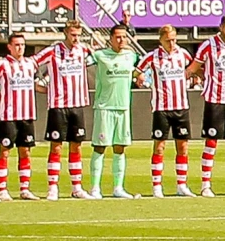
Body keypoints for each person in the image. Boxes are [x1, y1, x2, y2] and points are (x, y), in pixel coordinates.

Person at [188, 14, 225, 196]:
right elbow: (193, 67)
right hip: (214, 99)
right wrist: (202, 76)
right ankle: (206, 185)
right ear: (221, 27)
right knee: (211, 142)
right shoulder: (208, 45)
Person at [33, 19, 93, 199]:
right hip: (58, 105)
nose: (76, 38)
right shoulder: (53, 51)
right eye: (73, 34)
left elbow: (96, 62)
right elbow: (32, 64)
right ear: (66, 33)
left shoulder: (83, 50)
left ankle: (77, 187)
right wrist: (37, 86)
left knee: (76, 146)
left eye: (78, 35)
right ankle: (53, 187)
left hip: (77, 105)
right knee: (56, 147)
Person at [137, 24, 195, 198]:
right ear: (160, 40)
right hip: (162, 108)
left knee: (183, 147)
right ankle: (157, 187)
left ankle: (182, 185)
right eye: (168, 40)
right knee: (159, 147)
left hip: (181, 107)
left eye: (174, 39)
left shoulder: (183, 54)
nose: (172, 43)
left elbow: (193, 68)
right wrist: (139, 76)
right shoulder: (152, 57)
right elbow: (137, 71)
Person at [86, 24, 137, 199]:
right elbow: (84, 59)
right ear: (111, 39)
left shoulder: (131, 56)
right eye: (118, 37)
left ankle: (118, 188)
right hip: (104, 107)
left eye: (124, 37)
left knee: (120, 148)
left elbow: (138, 71)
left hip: (123, 108)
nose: (122, 40)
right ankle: (94, 188)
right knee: (100, 147)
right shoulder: (100, 55)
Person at [0, 32, 40, 200]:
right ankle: (2, 189)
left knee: (25, 151)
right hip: (9, 115)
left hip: (27, 114)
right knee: (5, 151)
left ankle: (24, 189)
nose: (20, 48)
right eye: (17, 45)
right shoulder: (2, 65)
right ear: (10, 47)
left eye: (22, 45)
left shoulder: (30, 64)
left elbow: (34, 84)